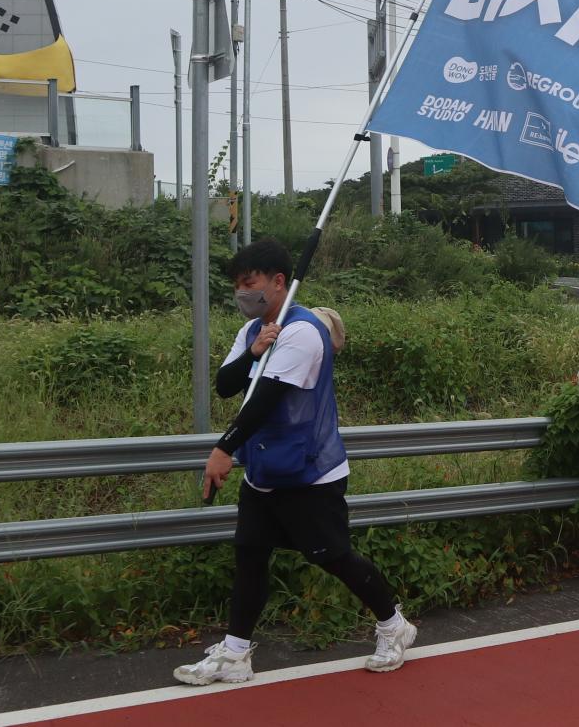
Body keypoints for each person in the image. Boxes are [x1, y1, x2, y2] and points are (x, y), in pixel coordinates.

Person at [176, 241, 414, 686]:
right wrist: (252, 352)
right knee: (250, 553)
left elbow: (265, 400)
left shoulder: (302, 332)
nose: (242, 293)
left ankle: (393, 625)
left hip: (309, 473)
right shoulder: (252, 330)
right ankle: (235, 653)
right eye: (237, 285)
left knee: (333, 557)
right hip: (264, 470)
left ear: (278, 281)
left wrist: (224, 449)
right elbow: (226, 385)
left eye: (250, 283)